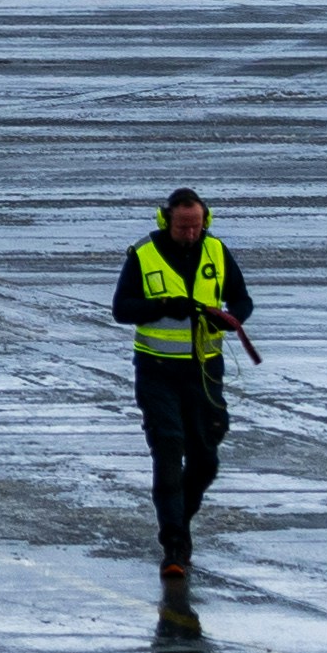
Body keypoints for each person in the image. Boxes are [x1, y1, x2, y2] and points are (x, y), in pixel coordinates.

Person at [112, 187, 253, 574]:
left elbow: (243, 300)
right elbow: (121, 309)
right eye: (182, 227)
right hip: (156, 371)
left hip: (205, 371)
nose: (191, 234)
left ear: (205, 220)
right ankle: (173, 543)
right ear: (166, 220)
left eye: (196, 227)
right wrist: (160, 307)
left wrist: (229, 317)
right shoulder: (143, 254)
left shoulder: (217, 251)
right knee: (169, 449)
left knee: (206, 459)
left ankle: (180, 517)